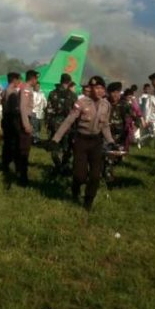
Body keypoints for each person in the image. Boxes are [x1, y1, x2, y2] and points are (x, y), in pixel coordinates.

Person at [50, 75, 116, 211]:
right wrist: (55, 139)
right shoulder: (81, 103)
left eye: (100, 88)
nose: (97, 91)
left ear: (104, 90)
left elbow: (105, 126)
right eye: (94, 88)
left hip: (96, 142)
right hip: (81, 141)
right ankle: (76, 187)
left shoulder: (106, 105)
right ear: (90, 89)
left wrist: (111, 141)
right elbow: (68, 121)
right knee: (80, 176)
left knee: (95, 175)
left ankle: (88, 202)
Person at [45, 73, 77, 174]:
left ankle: (58, 165)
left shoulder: (52, 93)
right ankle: (64, 166)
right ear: (69, 82)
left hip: (54, 123)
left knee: (55, 146)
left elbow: (48, 110)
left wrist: (47, 122)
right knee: (67, 147)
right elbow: (75, 112)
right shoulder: (72, 95)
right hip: (68, 125)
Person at [104, 82, 133, 185]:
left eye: (117, 92)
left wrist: (129, 133)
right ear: (108, 93)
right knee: (108, 157)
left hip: (120, 136)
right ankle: (108, 179)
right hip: (106, 135)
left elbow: (130, 119)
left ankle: (108, 173)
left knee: (117, 158)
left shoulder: (124, 105)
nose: (115, 95)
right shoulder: (104, 103)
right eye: (113, 92)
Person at [17, 70, 39, 186]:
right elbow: (23, 107)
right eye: (36, 79)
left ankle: (21, 173)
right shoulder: (26, 88)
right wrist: (26, 124)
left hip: (26, 118)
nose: (37, 81)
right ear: (33, 78)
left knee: (24, 148)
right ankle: (23, 177)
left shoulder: (27, 88)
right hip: (25, 119)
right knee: (24, 149)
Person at [1, 72, 22, 175]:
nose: (19, 82)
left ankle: (5, 165)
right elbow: (14, 109)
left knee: (7, 144)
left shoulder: (4, 91)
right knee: (14, 144)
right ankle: (14, 166)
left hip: (5, 118)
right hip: (11, 119)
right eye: (18, 80)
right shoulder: (12, 92)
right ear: (14, 80)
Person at [139, 83, 155, 147]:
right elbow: (147, 109)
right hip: (151, 118)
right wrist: (146, 120)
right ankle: (141, 140)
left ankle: (145, 143)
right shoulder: (149, 98)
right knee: (153, 133)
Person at [31, 82, 47, 146]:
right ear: (34, 87)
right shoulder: (32, 93)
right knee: (35, 126)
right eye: (36, 86)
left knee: (39, 126)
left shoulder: (41, 93)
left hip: (40, 113)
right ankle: (35, 140)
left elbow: (45, 102)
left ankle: (36, 138)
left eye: (39, 86)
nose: (38, 87)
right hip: (33, 112)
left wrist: (44, 106)